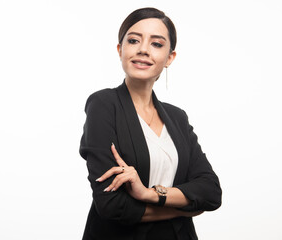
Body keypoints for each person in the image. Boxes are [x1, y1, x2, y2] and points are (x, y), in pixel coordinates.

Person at [79, 7, 222, 240]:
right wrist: (186, 207)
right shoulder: (103, 105)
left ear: (169, 58)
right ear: (120, 49)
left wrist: (149, 194)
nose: (143, 49)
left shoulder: (177, 117)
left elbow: (211, 192)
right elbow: (111, 205)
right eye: (134, 40)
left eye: (156, 44)